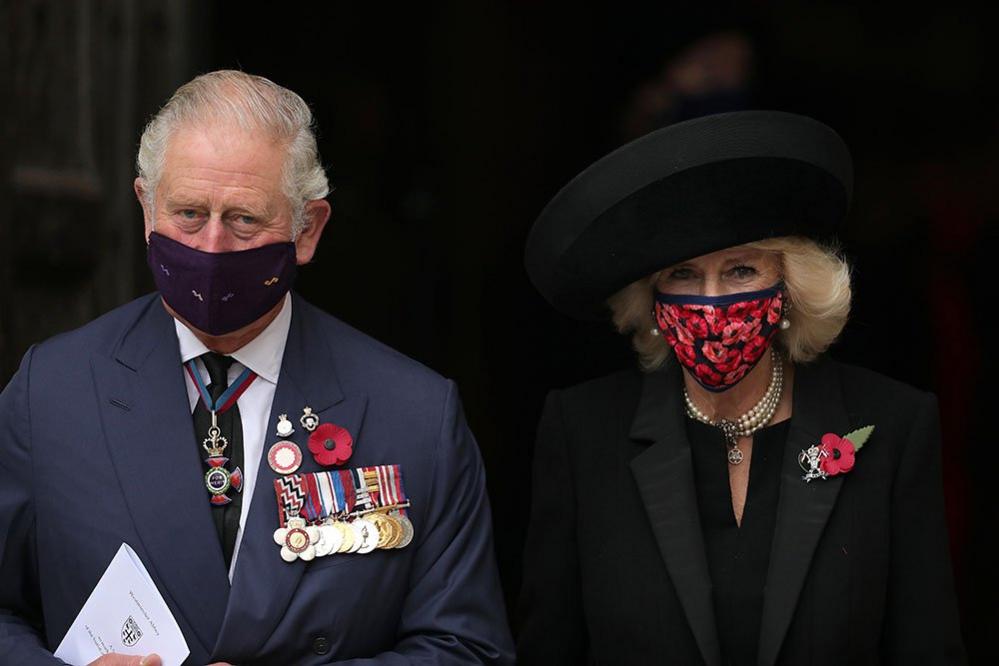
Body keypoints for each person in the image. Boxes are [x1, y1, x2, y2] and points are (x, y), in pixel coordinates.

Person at [0, 70, 514, 665]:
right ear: (146, 207)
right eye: (189, 213)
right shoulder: (54, 390)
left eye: (245, 220)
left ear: (308, 229)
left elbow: (467, 649)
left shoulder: (415, 415)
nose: (212, 247)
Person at [517, 111, 965, 665]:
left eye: (741, 271)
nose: (710, 301)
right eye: (683, 274)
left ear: (790, 285)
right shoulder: (581, 432)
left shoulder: (893, 425)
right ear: (650, 300)